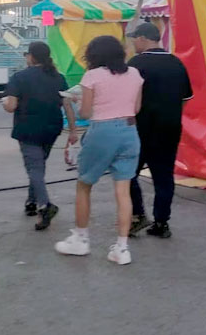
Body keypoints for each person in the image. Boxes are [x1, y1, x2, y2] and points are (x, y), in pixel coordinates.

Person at [54, 35, 143, 265]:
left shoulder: (92, 76)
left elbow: (84, 114)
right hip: (129, 131)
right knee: (123, 190)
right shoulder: (134, 74)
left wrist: (76, 100)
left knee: (84, 184)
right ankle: (122, 249)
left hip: (102, 131)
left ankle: (80, 240)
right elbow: (136, 107)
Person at [126, 22, 192, 239]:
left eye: (135, 38)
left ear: (144, 38)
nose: (133, 43)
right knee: (164, 177)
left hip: (140, 130)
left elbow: (128, 100)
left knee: (127, 174)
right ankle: (162, 222)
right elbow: (185, 100)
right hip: (169, 129)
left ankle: (137, 215)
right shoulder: (176, 63)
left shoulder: (135, 64)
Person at [2, 41, 77, 230]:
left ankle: (45, 206)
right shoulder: (58, 77)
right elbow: (67, 104)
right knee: (38, 165)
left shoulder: (19, 77)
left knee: (34, 167)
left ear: (31, 56)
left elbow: (10, 106)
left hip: (28, 129)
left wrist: (5, 103)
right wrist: (73, 130)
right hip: (52, 128)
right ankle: (31, 201)